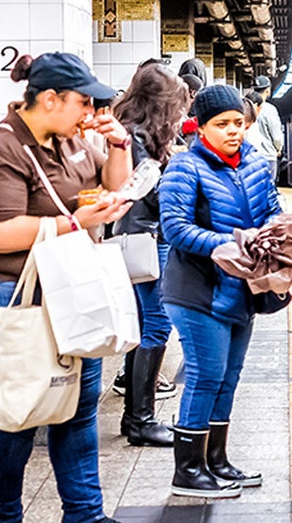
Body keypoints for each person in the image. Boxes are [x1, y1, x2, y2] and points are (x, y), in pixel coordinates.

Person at [0, 52, 134, 522]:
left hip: (65, 289)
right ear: (50, 99)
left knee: (77, 407)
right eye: (83, 103)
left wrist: (119, 145)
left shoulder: (71, 141)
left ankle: (85, 515)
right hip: (2, 294)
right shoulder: (1, 148)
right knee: (15, 414)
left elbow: (116, 184)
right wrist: (74, 223)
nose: (90, 114)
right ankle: (1, 517)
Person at [158, 85, 282, 498]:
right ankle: (188, 470)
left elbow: (272, 211)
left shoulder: (257, 165)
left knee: (228, 377)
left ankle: (216, 461)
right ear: (202, 128)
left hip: (242, 288)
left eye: (239, 123)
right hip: (196, 290)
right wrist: (227, 243)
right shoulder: (184, 168)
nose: (234, 131)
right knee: (205, 374)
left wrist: (280, 234)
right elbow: (174, 228)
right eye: (222, 124)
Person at [107, 61, 190, 448]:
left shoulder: (130, 130)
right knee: (156, 324)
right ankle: (141, 420)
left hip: (139, 235)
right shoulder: (138, 138)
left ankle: (133, 418)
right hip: (146, 237)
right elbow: (143, 191)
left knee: (143, 324)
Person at [248, 76, 285, 180]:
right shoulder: (269, 110)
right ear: (268, 91)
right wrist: (278, 149)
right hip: (267, 156)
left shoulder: (245, 106)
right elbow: (277, 137)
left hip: (250, 157)